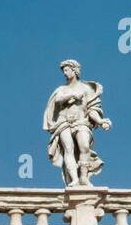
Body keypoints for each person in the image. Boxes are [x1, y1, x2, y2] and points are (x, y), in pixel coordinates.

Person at [43, 59, 110, 187]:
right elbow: (57, 100)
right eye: (63, 71)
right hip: (64, 123)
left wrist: (100, 121)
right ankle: (74, 179)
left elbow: (91, 109)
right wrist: (72, 96)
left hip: (81, 122)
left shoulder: (86, 89)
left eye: (67, 70)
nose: (64, 73)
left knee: (84, 146)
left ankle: (83, 177)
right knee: (68, 149)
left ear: (75, 70)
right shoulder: (61, 89)